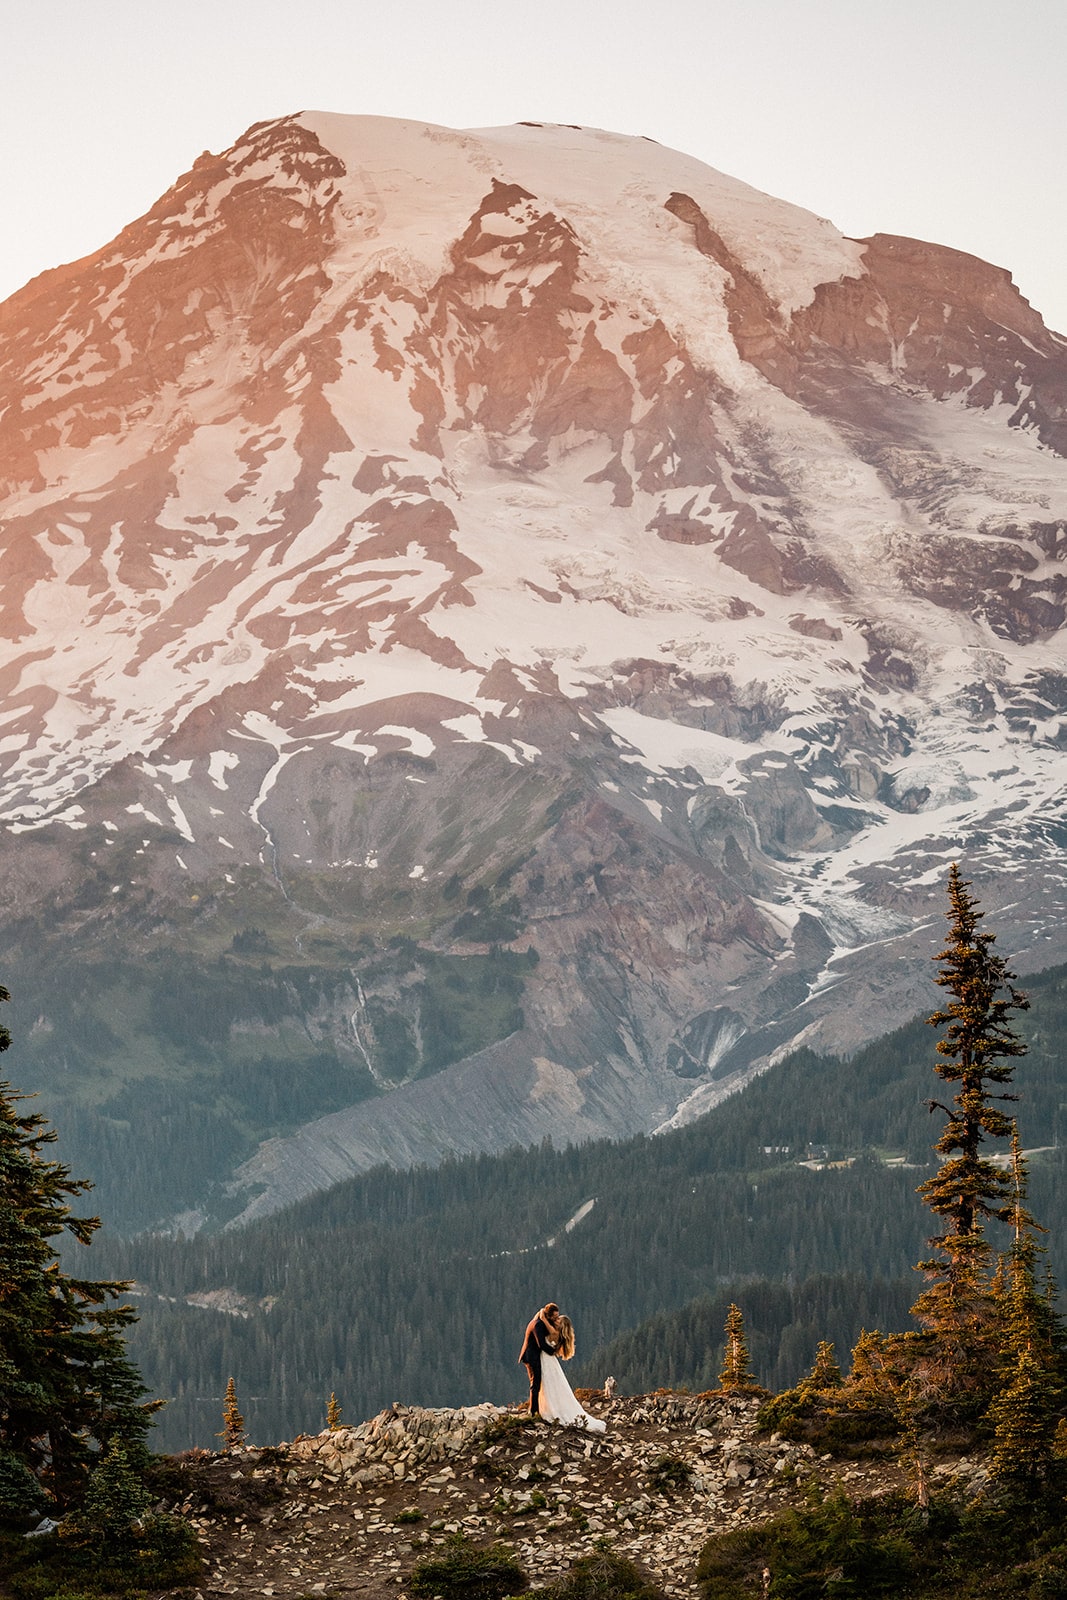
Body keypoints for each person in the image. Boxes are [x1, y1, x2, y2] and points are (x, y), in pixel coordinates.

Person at [536, 1313, 607, 1432]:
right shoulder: (558, 1334)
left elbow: (542, 1320)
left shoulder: (554, 1332)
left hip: (546, 1359)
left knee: (547, 1384)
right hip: (548, 1360)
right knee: (550, 1384)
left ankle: (547, 1409)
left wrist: (542, 1314)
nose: (556, 1320)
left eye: (558, 1319)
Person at [518, 1302, 561, 1417]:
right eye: (555, 1317)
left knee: (536, 1381)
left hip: (532, 1355)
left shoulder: (538, 1323)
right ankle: (533, 1411)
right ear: (549, 1316)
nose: (556, 1318)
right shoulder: (538, 1325)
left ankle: (535, 1409)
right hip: (531, 1356)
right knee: (535, 1382)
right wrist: (553, 1351)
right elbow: (541, 1344)